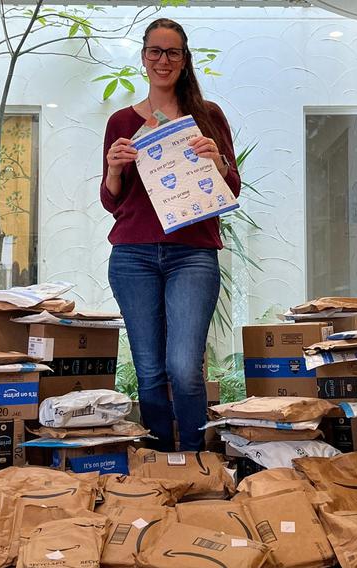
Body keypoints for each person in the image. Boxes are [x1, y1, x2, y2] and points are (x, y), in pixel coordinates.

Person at [99, 18, 241, 452]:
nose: (163, 60)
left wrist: (216, 162)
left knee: (184, 367)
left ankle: (196, 461)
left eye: (172, 52)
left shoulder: (208, 117)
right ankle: (160, 461)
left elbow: (232, 189)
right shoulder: (122, 121)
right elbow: (111, 202)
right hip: (132, 255)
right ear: (143, 57)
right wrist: (114, 167)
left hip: (192, 253)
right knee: (149, 370)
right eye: (155, 51)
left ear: (184, 59)